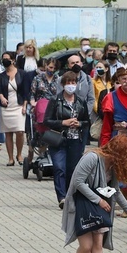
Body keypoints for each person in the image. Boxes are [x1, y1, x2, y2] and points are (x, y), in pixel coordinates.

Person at [44, 71, 90, 209]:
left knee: (73, 170)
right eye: (68, 83)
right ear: (63, 85)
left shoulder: (80, 101)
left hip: (75, 140)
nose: (71, 86)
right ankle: (62, 197)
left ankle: (71, 196)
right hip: (59, 140)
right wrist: (63, 122)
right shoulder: (55, 100)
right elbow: (47, 121)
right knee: (59, 168)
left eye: (73, 83)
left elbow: (87, 121)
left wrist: (80, 124)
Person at [0, 51, 27, 166]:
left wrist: (25, 105)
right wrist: (1, 97)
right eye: (3, 58)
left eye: (7, 58)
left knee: (20, 131)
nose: (5, 60)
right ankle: (10, 158)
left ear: (13, 60)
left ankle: (19, 154)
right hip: (6, 107)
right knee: (8, 133)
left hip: (19, 106)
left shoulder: (22, 74)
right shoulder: (1, 76)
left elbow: (26, 91)